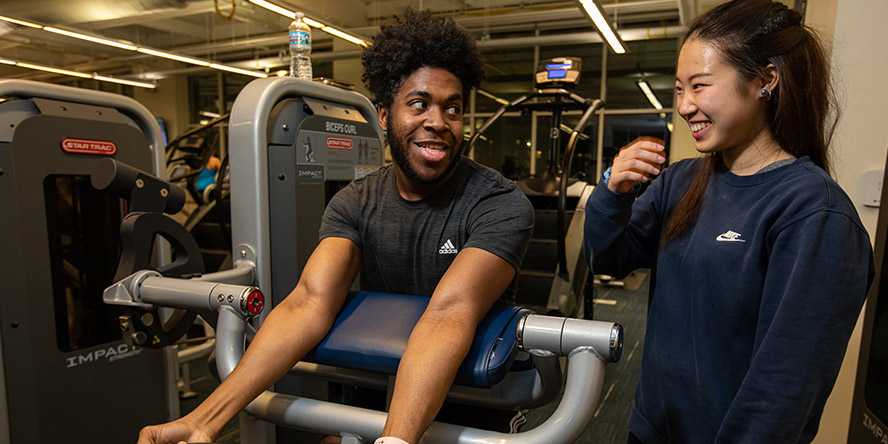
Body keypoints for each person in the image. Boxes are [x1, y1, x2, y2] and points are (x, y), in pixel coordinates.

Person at [137, 9, 534, 444]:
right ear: (384, 116)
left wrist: (394, 440)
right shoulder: (354, 201)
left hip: (474, 408)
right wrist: (205, 420)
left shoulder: (498, 202)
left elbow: (447, 314)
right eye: (419, 104)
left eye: (452, 108)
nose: (438, 122)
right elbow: (308, 302)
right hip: (374, 392)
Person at [583, 1, 873, 443]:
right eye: (679, 90)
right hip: (650, 430)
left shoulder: (814, 213)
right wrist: (612, 193)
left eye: (699, 86)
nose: (684, 106)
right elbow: (607, 257)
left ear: (765, 81)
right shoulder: (680, 182)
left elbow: (783, 390)